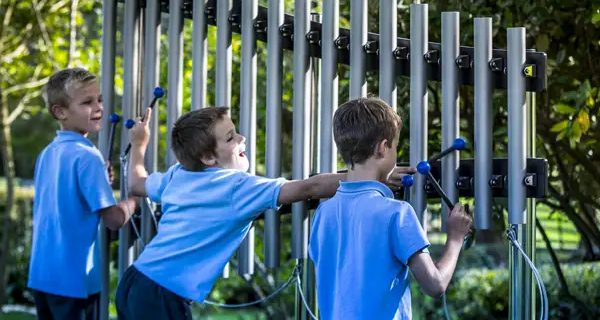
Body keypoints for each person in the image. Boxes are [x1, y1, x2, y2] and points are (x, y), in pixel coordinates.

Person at [115, 105, 413, 320]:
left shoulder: (178, 175)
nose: (242, 139)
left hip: (134, 281)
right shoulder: (235, 186)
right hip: (162, 296)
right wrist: (371, 175)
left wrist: (138, 144)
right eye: (231, 138)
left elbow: (136, 183)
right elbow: (307, 188)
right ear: (207, 157)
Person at [309, 97, 473, 320]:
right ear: (383, 147)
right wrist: (455, 237)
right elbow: (435, 284)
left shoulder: (323, 213)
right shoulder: (397, 213)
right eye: (395, 146)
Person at [27, 68, 138, 320]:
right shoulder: (88, 156)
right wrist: (136, 195)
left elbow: (68, 198)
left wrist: (101, 181)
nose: (98, 107)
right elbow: (114, 220)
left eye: (99, 99)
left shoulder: (49, 152)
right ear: (60, 111)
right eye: (87, 102)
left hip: (43, 275)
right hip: (74, 280)